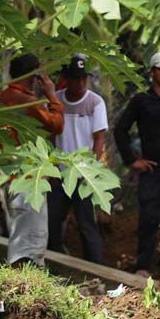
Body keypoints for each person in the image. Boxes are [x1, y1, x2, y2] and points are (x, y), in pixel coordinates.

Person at [114, 51, 160, 280]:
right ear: (152, 72)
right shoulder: (141, 101)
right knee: (149, 218)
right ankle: (143, 266)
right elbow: (120, 130)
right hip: (153, 170)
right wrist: (132, 160)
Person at [0, 52, 65, 267]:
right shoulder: (26, 101)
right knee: (29, 244)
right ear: (35, 76)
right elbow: (56, 125)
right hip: (27, 179)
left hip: (9, 176)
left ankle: (26, 289)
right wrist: (52, 95)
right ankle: (23, 290)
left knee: (20, 236)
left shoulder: (1, 98)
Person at [47, 54, 108, 264]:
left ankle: (96, 268)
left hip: (83, 174)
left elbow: (99, 138)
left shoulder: (95, 102)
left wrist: (91, 168)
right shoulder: (56, 100)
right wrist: (51, 166)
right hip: (59, 172)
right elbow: (50, 136)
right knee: (52, 221)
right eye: (75, 79)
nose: (80, 83)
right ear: (66, 78)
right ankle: (55, 266)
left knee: (86, 224)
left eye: (83, 79)